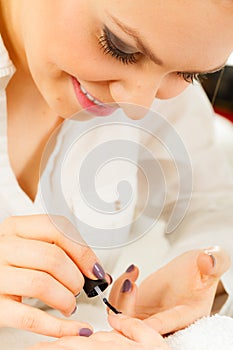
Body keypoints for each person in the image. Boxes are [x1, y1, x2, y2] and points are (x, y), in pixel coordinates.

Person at [0, 0, 233, 349]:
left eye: (190, 74)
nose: (139, 107)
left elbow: (216, 203)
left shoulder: (167, 56)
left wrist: (205, 279)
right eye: (119, 47)